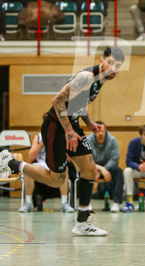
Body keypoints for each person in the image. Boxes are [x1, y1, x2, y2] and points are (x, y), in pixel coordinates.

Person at [0, 46, 125, 235]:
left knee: (89, 170)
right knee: (56, 180)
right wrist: (68, 131)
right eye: (111, 63)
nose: (113, 68)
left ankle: (82, 224)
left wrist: (89, 123)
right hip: (56, 127)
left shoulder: (100, 79)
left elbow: (78, 102)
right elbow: (57, 101)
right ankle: (10, 162)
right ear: (102, 61)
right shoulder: (87, 77)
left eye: (118, 66)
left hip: (71, 125)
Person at [18, 132, 74, 213]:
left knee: (64, 169)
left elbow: (69, 159)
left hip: (56, 163)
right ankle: (28, 203)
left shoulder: (61, 135)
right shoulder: (39, 137)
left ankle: (64, 203)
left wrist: (58, 146)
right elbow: (31, 157)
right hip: (41, 164)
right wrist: (42, 142)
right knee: (28, 169)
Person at [86, 120, 123, 213]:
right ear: (94, 131)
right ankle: (86, 203)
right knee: (83, 172)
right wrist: (99, 169)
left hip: (109, 168)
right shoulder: (88, 140)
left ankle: (116, 202)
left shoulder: (112, 140)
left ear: (106, 130)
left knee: (118, 171)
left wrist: (104, 169)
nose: (100, 133)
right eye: (97, 130)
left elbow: (115, 159)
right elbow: (86, 159)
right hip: (94, 167)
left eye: (102, 130)